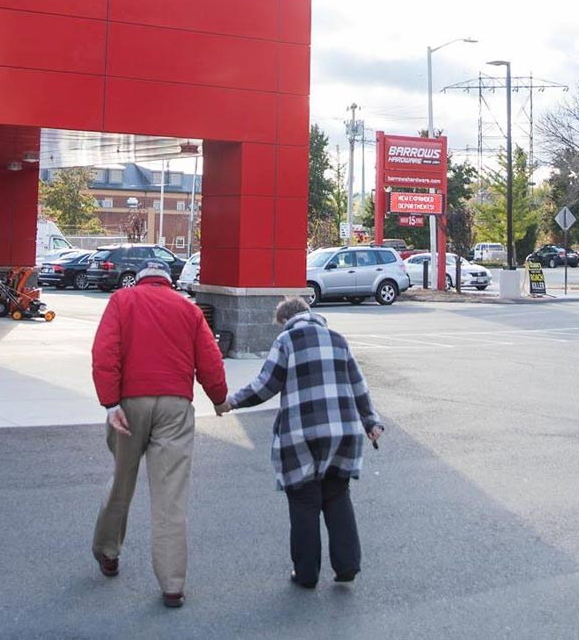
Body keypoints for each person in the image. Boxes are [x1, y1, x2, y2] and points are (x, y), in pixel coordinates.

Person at [217, 296, 384, 588]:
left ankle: (306, 574)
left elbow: (266, 385)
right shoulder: (337, 339)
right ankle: (348, 565)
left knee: (304, 501)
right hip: (343, 433)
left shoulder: (286, 341)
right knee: (337, 495)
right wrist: (371, 421)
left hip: (303, 434)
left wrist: (231, 402)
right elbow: (359, 384)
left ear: (285, 320)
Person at [91, 259, 228, 609]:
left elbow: (104, 351)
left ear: (140, 280)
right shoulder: (188, 309)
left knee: (122, 481)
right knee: (170, 498)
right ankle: (172, 585)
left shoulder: (122, 301)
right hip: (175, 406)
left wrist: (110, 403)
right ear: (169, 282)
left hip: (128, 404)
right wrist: (219, 397)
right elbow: (209, 359)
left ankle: (107, 552)